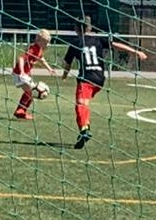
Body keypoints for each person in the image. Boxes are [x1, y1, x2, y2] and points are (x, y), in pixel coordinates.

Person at [62, 17, 148, 149]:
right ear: (90, 27)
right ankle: (86, 125)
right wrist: (135, 51)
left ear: (76, 29)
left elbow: (68, 63)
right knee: (85, 104)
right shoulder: (97, 40)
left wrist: (64, 74)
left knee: (80, 104)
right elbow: (116, 45)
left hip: (86, 79)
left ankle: (84, 129)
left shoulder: (75, 43)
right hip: (99, 79)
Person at [11, 29, 53, 118]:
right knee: (30, 91)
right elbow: (21, 59)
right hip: (19, 74)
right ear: (40, 40)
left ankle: (21, 111)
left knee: (31, 93)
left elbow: (41, 59)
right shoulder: (33, 49)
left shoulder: (39, 49)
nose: (47, 44)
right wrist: (22, 71)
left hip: (25, 75)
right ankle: (20, 110)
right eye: (46, 42)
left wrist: (49, 68)